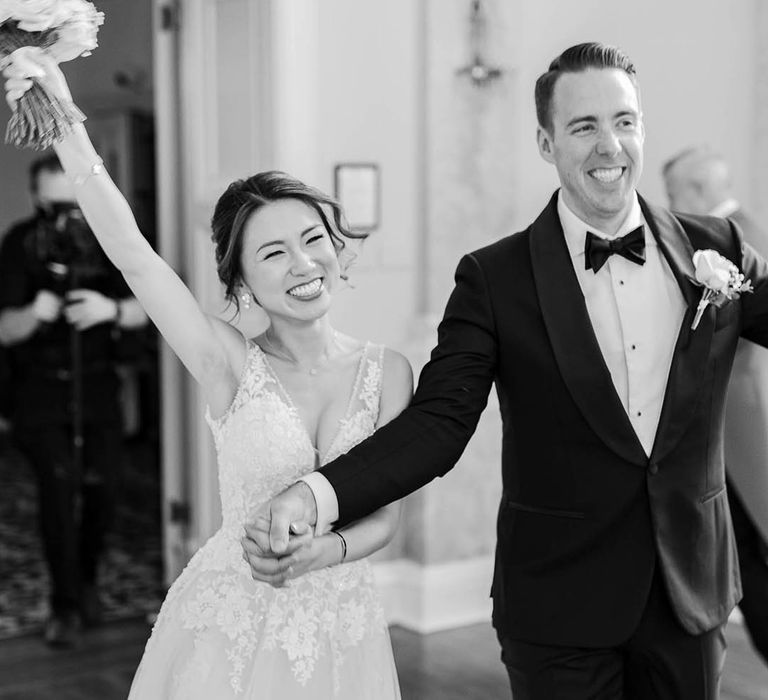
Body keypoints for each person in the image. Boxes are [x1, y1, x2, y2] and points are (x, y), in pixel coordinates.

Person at [249, 43, 768, 699]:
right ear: (546, 143)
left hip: (690, 594)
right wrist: (317, 495)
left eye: (625, 121)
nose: (609, 145)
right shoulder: (495, 279)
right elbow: (436, 424)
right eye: (584, 126)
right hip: (558, 606)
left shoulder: (714, 250)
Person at [3, 49, 411, 699]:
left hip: (343, 625)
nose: (303, 264)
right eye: (274, 253)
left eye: (313, 239)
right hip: (231, 620)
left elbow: (388, 519)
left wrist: (322, 553)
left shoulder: (389, 372)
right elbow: (135, 258)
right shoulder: (226, 360)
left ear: (337, 248)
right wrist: (62, 118)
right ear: (242, 283)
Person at [0, 153, 149, 647]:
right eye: (55, 203)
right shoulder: (19, 243)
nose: (65, 215)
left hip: (99, 385)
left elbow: (153, 307)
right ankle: (65, 604)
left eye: (74, 203)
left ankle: (84, 579)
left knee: (105, 488)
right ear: (37, 197)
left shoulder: (111, 236)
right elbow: (4, 328)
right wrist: (34, 313)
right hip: (39, 389)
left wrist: (111, 309)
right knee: (58, 491)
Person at [663, 145, 768, 665]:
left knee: (751, 552)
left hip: (744, 418)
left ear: (699, 192)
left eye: (675, 193)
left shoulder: (729, 241)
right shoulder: (747, 226)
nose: (671, 205)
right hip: (743, 415)